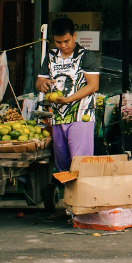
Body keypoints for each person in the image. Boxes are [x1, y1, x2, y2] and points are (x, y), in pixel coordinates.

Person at [36, 18, 100, 171]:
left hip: (81, 115)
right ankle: (66, 194)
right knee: (62, 162)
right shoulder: (50, 56)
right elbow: (39, 82)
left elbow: (93, 85)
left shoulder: (85, 56)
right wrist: (42, 85)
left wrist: (70, 99)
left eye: (66, 41)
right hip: (57, 117)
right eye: (58, 42)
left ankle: (82, 194)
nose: (63, 46)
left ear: (74, 36)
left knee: (81, 162)